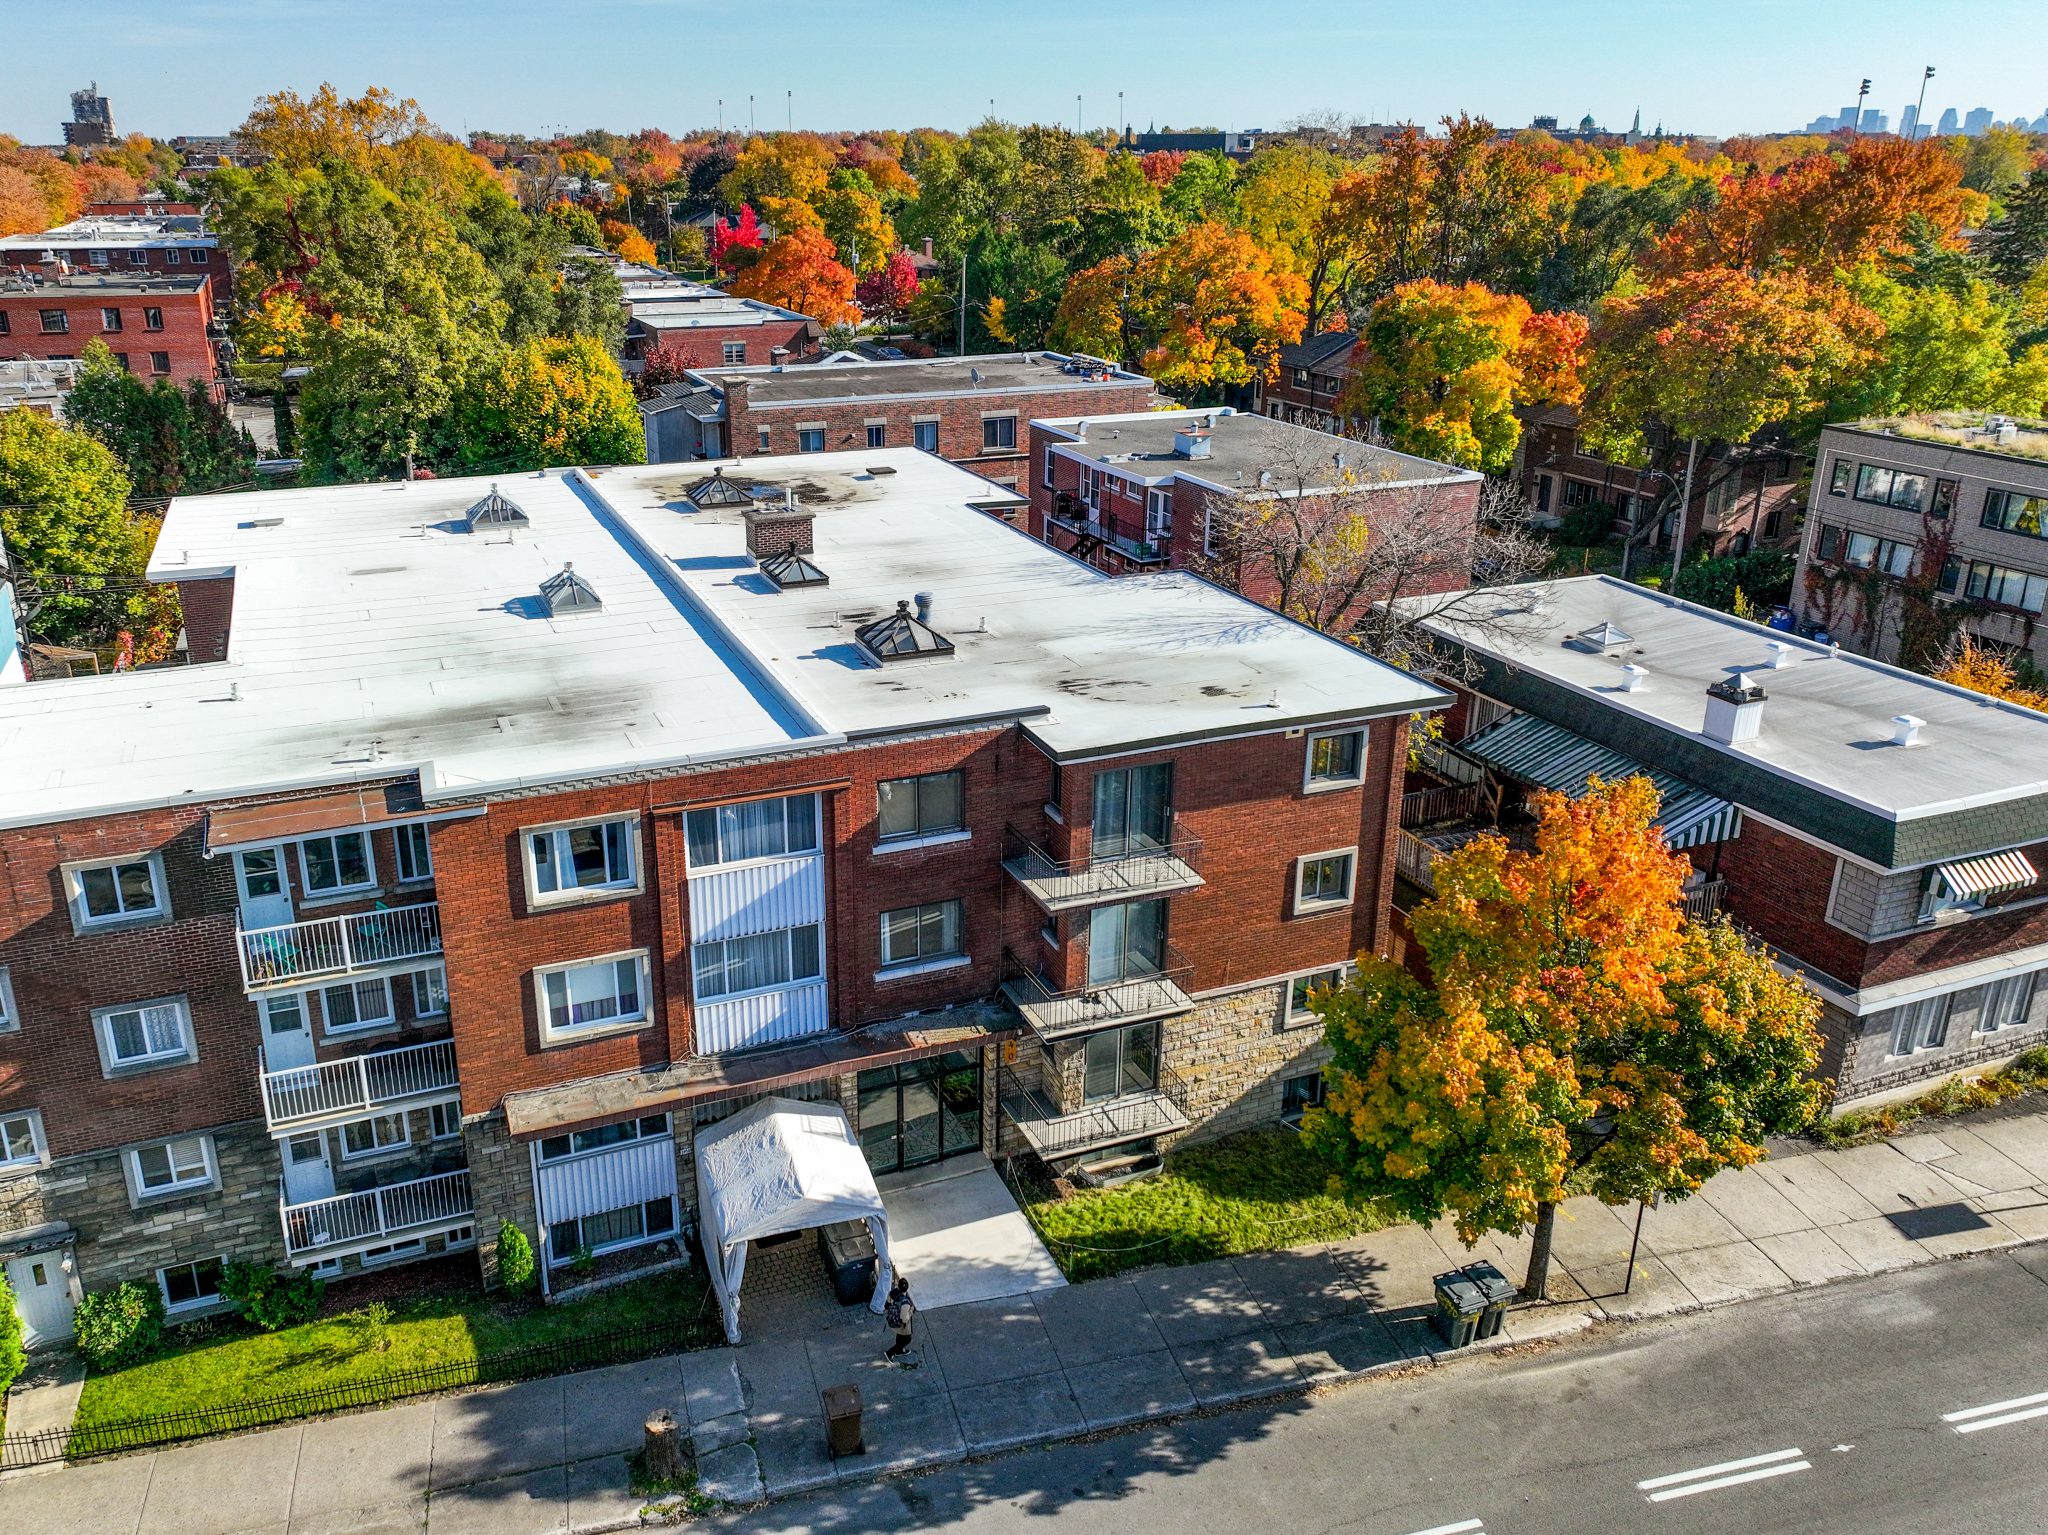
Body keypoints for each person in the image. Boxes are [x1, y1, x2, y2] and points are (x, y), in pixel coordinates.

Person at [883, 1274, 916, 1360]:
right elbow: (904, 1319)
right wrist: (911, 1310)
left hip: (892, 1319)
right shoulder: (905, 1303)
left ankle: (900, 1351)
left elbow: (887, 1305)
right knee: (907, 1339)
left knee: (900, 1335)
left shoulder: (893, 1293)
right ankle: (890, 1352)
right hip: (901, 1324)